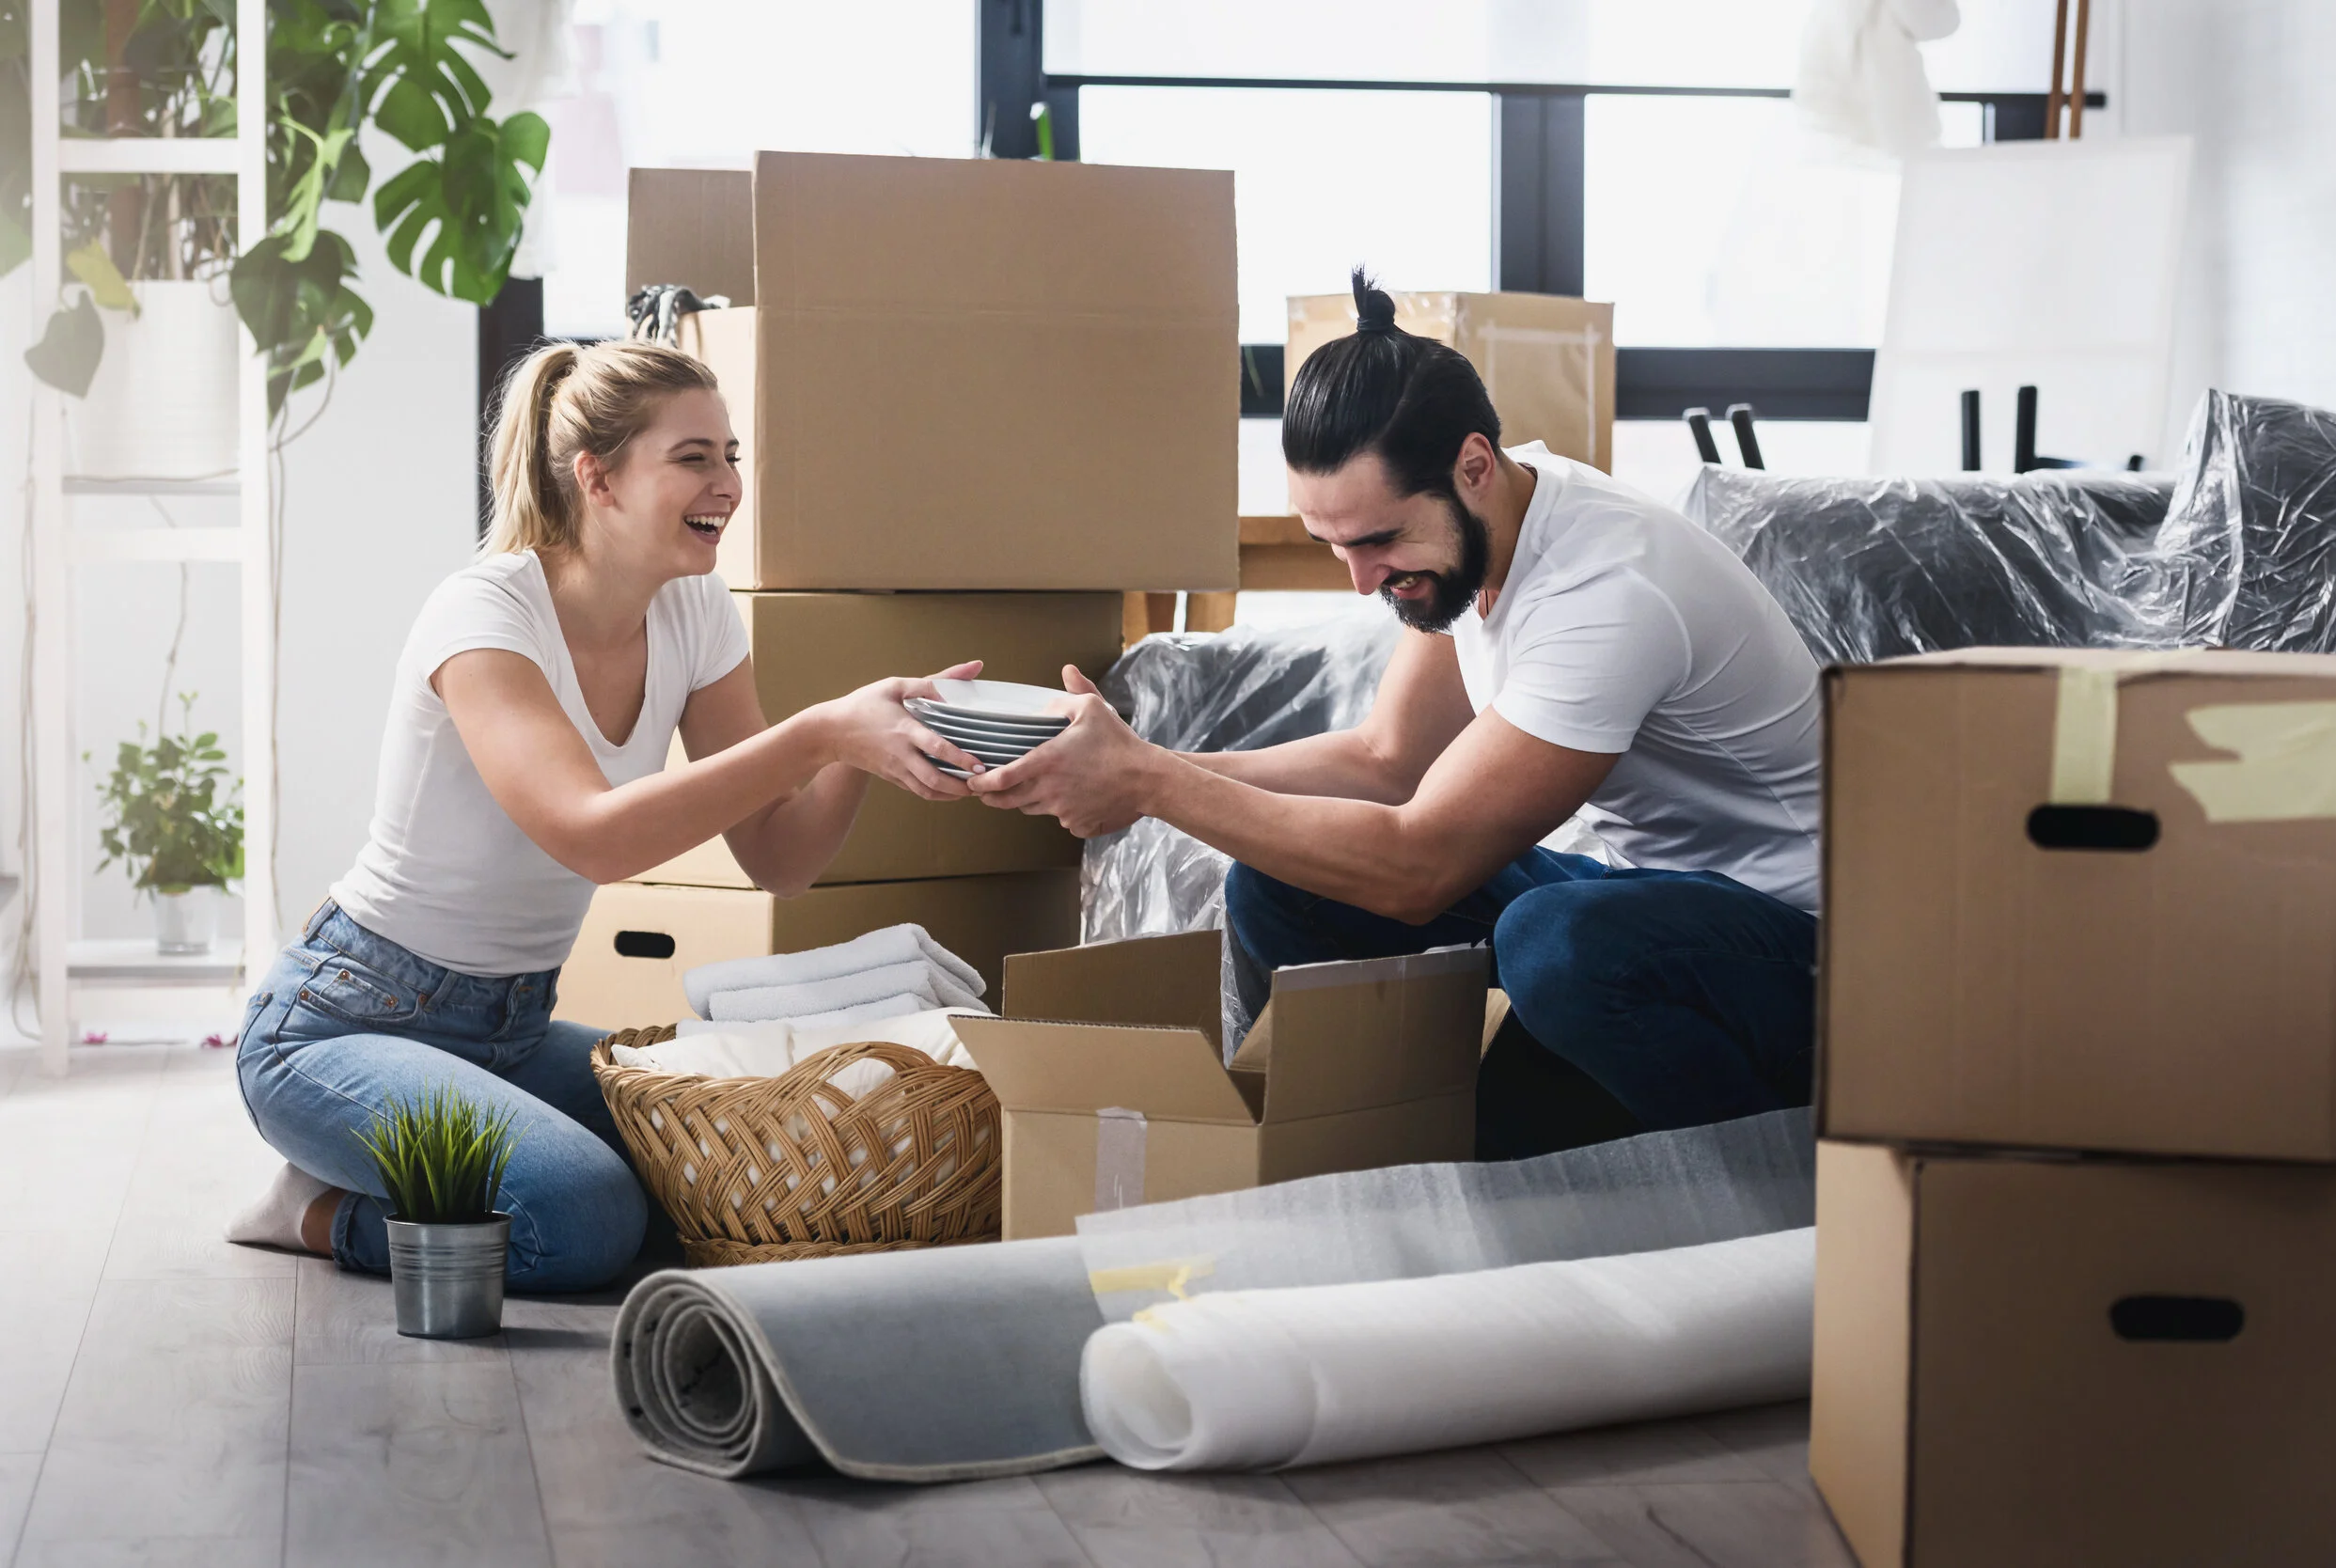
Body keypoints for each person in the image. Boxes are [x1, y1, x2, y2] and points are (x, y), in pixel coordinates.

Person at [970, 272, 1822, 1158]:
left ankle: (1765, 1169)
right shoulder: (1494, 521)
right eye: (1334, 545)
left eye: (1379, 540)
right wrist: (1135, 766)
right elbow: (1387, 762)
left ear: (1474, 466)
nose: (1361, 580)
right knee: (1284, 881)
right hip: (1655, 899)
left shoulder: (1608, 590)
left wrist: (1152, 783)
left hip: (1801, 955)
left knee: (1553, 946)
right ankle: (1362, 1148)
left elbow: (1420, 867)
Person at [227, 339, 989, 1289]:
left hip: (513, 1031)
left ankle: (424, 1169)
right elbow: (593, 835)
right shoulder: (484, 615)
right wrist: (819, 732)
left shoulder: (695, 614)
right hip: (346, 1027)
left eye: (730, 455)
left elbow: (780, 858)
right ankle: (315, 1211)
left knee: (734, 1180)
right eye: (693, 457)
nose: (726, 483)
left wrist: (863, 746)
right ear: (599, 479)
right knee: (582, 1217)